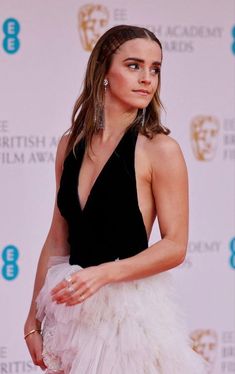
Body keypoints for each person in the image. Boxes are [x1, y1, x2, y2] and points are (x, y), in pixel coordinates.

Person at [24, 25, 207, 373]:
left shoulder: (160, 149)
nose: (147, 79)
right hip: (71, 315)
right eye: (134, 65)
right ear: (104, 72)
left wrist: (103, 274)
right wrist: (33, 318)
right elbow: (58, 236)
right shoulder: (70, 145)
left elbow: (175, 245)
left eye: (155, 68)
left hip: (130, 318)